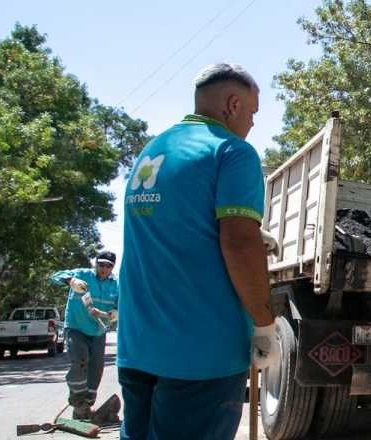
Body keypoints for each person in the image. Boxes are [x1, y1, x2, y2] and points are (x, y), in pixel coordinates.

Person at [117, 63, 279, 440]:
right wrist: (264, 323)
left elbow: (178, 226)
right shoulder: (232, 152)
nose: (253, 124)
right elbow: (239, 244)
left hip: (138, 349)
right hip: (201, 356)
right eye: (253, 113)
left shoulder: (153, 152)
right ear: (233, 104)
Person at [49, 251, 119, 420]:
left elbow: (119, 308)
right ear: (95, 264)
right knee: (80, 361)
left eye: (108, 266)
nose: (103, 268)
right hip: (76, 327)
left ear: (112, 267)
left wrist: (109, 313)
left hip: (98, 332)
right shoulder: (82, 274)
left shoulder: (116, 285)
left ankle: (87, 406)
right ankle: (78, 403)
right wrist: (70, 280)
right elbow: (54, 277)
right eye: (101, 264)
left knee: (96, 368)